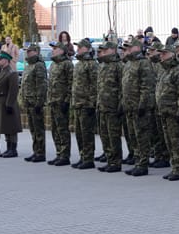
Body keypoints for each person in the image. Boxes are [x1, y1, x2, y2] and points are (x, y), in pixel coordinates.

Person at [122, 37, 156, 177]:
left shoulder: (144, 63)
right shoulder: (129, 63)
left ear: (137, 47)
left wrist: (143, 104)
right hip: (129, 106)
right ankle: (137, 161)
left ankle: (143, 163)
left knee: (141, 135)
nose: (128, 49)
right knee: (132, 136)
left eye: (130, 47)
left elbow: (147, 86)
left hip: (139, 107)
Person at [154, 44, 179, 181]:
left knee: (177, 141)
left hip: (175, 112)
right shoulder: (164, 71)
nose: (161, 56)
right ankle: (174, 166)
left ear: (172, 54)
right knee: (169, 141)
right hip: (164, 111)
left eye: (164, 53)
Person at [95, 41, 125, 174]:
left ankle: (116, 161)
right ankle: (109, 159)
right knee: (104, 135)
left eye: (105, 50)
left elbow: (122, 87)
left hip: (113, 106)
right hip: (103, 105)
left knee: (113, 135)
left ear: (112, 50)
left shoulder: (118, 66)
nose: (103, 52)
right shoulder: (102, 66)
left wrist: (120, 104)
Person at [70, 38, 99, 170]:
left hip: (87, 104)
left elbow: (94, 85)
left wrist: (92, 103)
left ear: (86, 49)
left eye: (80, 47)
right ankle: (83, 156)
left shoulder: (91, 64)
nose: (78, 49)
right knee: (79, 132)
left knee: (87, 133)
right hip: (78, 103)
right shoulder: (79, 64)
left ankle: (88, 158)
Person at [19, 44, 48, 163]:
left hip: (36, 103)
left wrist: (39, 102)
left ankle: (40, 153)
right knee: (33, 129)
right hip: (29, 102)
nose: (27, 53)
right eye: (27, 51)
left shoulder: (39, 65)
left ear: (36, 52)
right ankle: (36, 151)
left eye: (30, 51)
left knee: (38, 129)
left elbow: (41, 85)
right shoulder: (29, 65)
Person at [46, 42, 73, 165]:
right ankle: (59, 153)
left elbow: (70, 83)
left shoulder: (67, 64)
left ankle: (65, 155)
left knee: (62, 129)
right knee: (55, 129)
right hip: (53, 101)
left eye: (55, 49)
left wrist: (67, 100)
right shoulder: (53, 64)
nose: (53, 51)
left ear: (62, 50)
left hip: (61, 101)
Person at [0, 50, 22, 158]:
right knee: (4, 126)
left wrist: (9, 104)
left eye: (0, 59)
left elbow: (13, 90)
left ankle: (13, 149)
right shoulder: (0, 72)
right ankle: (8, 147)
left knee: (11, 127)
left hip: (8, 102)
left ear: (6, 60)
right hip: (0, 102)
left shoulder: (11, 73)